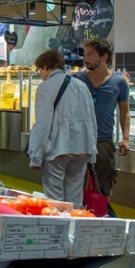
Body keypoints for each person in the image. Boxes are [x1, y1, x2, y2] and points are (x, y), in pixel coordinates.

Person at [28, 51, 97, 207]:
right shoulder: (82, 85)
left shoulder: (45, 87)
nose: (40, 74)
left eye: (40, 70)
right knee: (75, 196)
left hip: (58, 149)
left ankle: (58, 229)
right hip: (83, 148)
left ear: (45, 67)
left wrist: (35, 157)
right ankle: (74, 227)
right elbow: (92, 120)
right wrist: (92, 153)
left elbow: (42, 125)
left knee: (54, 199)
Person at [72, 39, 130, 196]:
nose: (85, 59)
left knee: (104, 184)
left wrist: (125, 138)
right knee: (76, 184)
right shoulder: (77, 79)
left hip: (104, 142)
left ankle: (100, 215)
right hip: (79, 141)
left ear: (104, 57)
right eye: (85, 54)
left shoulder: (119, 82)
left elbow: (124, 110)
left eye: (90, 54)